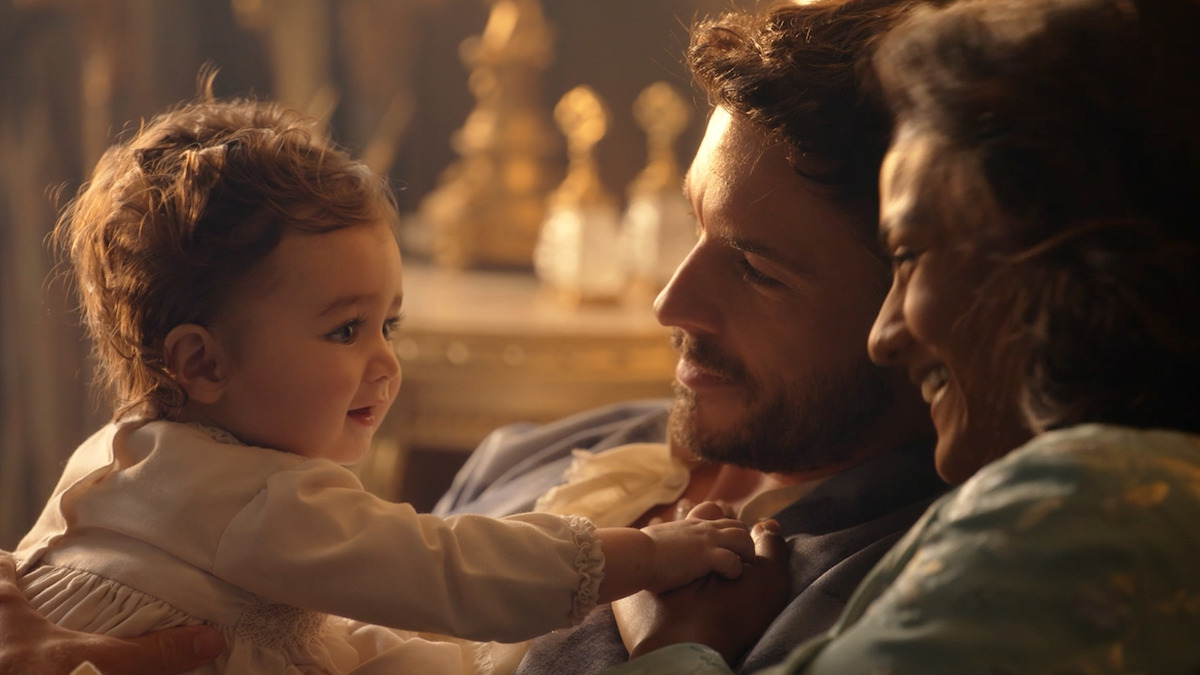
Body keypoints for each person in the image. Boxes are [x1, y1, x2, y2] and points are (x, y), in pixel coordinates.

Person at [9, 76, 758, 675]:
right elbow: (453, 570)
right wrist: (654, 553)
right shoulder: (267, 501)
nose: (386, 362)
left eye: (387, 324)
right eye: (344, 329)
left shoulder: (119, 452)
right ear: (203, 362)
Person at [599, 0, 1200, 671]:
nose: (887, 332)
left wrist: (678, 650)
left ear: (1079, 264)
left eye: (911, 252)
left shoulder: (1095, 512)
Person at [436, 1, 948, 673]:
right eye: (694, 222)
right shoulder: (534, 453)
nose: (669, 303)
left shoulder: (895, 603)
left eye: (755, 270)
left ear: (908, 304)